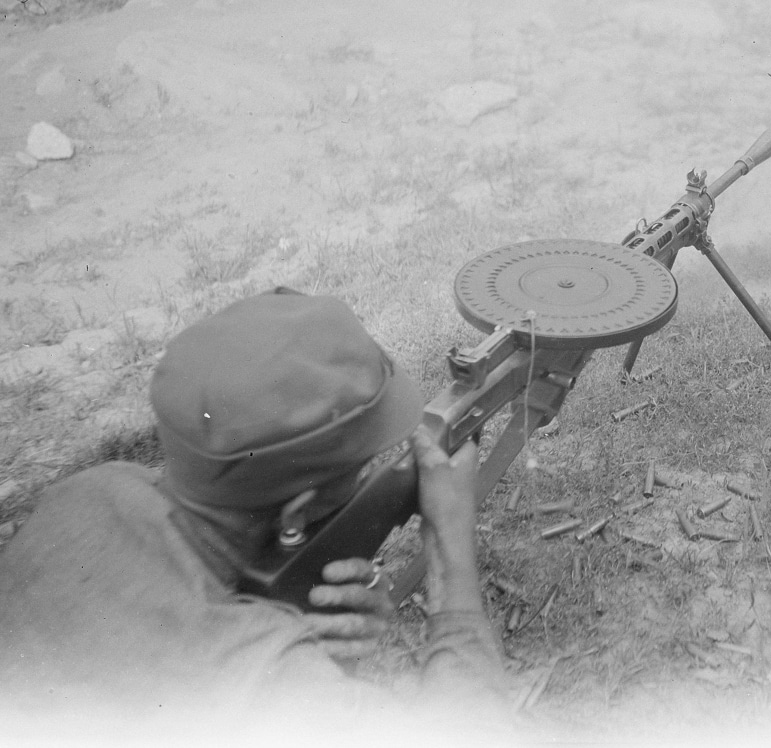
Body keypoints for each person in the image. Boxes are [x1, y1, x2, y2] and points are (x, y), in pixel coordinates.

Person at [0, 288, 510, 745]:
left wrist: (305, 639)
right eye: (359, 474)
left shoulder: (93, 488)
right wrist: (450, 552)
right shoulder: (265, 674)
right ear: (296, 515)